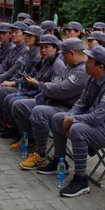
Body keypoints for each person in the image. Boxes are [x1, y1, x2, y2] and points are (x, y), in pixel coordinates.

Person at [48, 46, 105, 198]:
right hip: (100, 124)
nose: (86, 63)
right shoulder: (93, 79)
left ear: (100, 66)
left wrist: (72, 120)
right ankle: (59, 161)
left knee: (78, 129)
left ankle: (81, 180)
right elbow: (81, 103)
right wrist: (69, 116)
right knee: (58, 118)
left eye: (90, 61)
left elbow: (96, 118)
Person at [20, 37, 89, 167]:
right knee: (23, 104)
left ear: (72, 53)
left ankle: (41, 154)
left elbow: (61, 89)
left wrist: (39, 84)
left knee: (39, 112)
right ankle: (32, 142)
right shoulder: (73, 67)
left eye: (63, 54)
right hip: (62, 104)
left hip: (69, 108)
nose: (62, 57)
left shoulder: (80, 71)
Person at [1, 34, 67, 142]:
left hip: (48, 100)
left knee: (17, 103)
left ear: (55, 48)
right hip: (35, 92)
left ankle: (30, 139)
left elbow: (55, 90)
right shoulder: (45, 61)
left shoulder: (57, 65)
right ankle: (23, 134)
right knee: (10, 99)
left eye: (46, 47)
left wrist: (36, 84)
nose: (43, 50)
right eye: (41, 48)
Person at [0, 21, 30, 125]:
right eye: (12, 32)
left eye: (16, 32)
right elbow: (4, 65)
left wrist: (1, 78)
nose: (13, 34)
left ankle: (7, 122)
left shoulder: (25, 50)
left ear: (23, 34)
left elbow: (15, 69)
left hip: (19, 82)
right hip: (12, 78)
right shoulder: (15, 48)